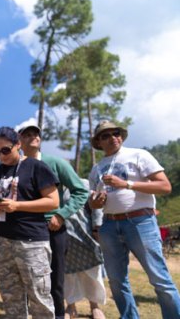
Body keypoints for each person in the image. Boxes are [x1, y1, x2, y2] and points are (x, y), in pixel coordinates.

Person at [88, 120, 180, 318]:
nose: (113, 137)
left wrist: (127, 184)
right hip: (109, 225)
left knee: (159, 279)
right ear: (98, 141)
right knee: (116, 281)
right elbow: (93, 202)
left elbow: (165, 187)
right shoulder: (97, 168)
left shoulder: (139, 155)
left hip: (140, 222)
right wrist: (96, 201)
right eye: (106, 135)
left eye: (116, 133)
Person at [0, 126, 60, 318]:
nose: (1, 155)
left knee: (39, 297)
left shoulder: (36, 166)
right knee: (11, 298)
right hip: (3, 241)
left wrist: (17, 206)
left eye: (5, 150)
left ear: (18, 144)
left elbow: (53, 202)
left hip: (31, 242)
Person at [19, 124, 89, 319]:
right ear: (19, 141)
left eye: (36, 134)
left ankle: (58, 315)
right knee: (26, 278)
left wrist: (61, 214)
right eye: (27, 134)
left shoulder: (56, 163)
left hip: (53, 228)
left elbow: (81, 191)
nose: (33, 137)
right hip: (24, 231)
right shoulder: (16, 167)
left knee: (54, 278)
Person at [63, 179, 107, 319]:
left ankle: (95, 306)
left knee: (92, 270)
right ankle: (71, 306)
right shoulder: (50, 187)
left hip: (86, 233)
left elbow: (97, 207)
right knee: (66, 273)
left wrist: (96, 227)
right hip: (62, 235)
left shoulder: (84, 183)